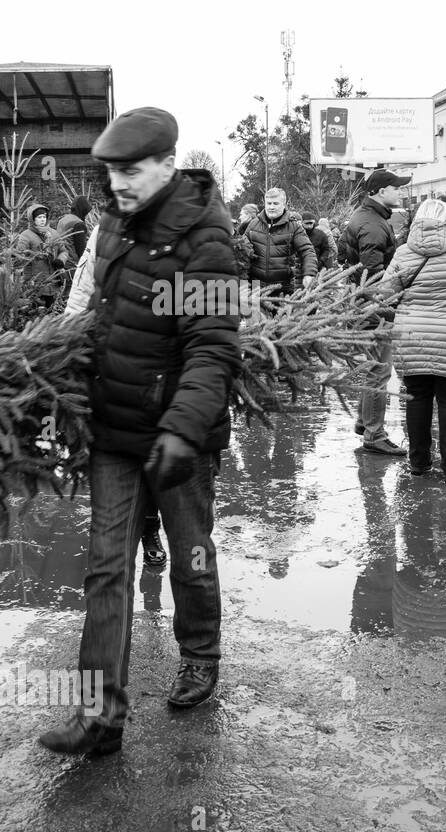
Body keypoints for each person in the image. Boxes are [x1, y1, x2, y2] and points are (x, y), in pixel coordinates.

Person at [38, 106, 240, 756]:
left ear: (164, 163)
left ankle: (201, 652)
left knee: (191, 554)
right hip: (116, 433)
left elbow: (211, 348)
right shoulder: (115, 229)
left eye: (129, 170)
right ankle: (101, 716)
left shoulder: (204, 237)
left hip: (181, 439)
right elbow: (95, 317)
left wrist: (183, 428)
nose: (117, 182)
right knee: (105, 569)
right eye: (111, 171)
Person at [63, 221, 169, 569]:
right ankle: (119, 544)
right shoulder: (104, 231)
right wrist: (63, 348)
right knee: (120, 458)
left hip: (161, 371)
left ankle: (150, 530)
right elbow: (81, 294)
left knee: (154, 458)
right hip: (112, 369)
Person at [377, 197, 446, 481]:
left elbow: (383, 295)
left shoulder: (404, 252)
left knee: (417, 400)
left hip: (412, 338)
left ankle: (419, 464)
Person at [339, 168, 410, 456]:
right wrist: (387, 308)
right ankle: (374, 434)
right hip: (372, 308)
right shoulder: (372, 224)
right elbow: (373, 276)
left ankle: (363, 422)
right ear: (382, 191)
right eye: (397, 188)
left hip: (363, 305)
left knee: (374, 369)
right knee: (379, 372)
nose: (401, 192)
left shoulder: (369, 218)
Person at [244, 187, 317, 294]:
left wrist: (309, 273)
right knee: (254, 311)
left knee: (282, 311)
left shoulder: (294, 227)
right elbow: (242, 249)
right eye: (269, 203)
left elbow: (307, 251)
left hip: (283, 286)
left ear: (284, 204)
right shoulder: (253, 225)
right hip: (256, 286)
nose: (271, 207)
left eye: (275, 203)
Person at [16, 204, 70, 308]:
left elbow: (63, 250)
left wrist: (60, 260)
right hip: (35, 283)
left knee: (51, 311)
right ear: (32, 219)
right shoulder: (25, 236)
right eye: (39, 217)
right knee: (34, 312)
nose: (42, 220)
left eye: (44, 217)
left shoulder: (53, 233)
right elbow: (20, 257)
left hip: (53, 281)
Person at [57, 196, 93, 263]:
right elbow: (81, 250)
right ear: (83, 210)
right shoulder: (78, 224)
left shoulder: (63, 219)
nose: (87, 215)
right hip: (72, 263)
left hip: (61, 259)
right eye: (87, 212)